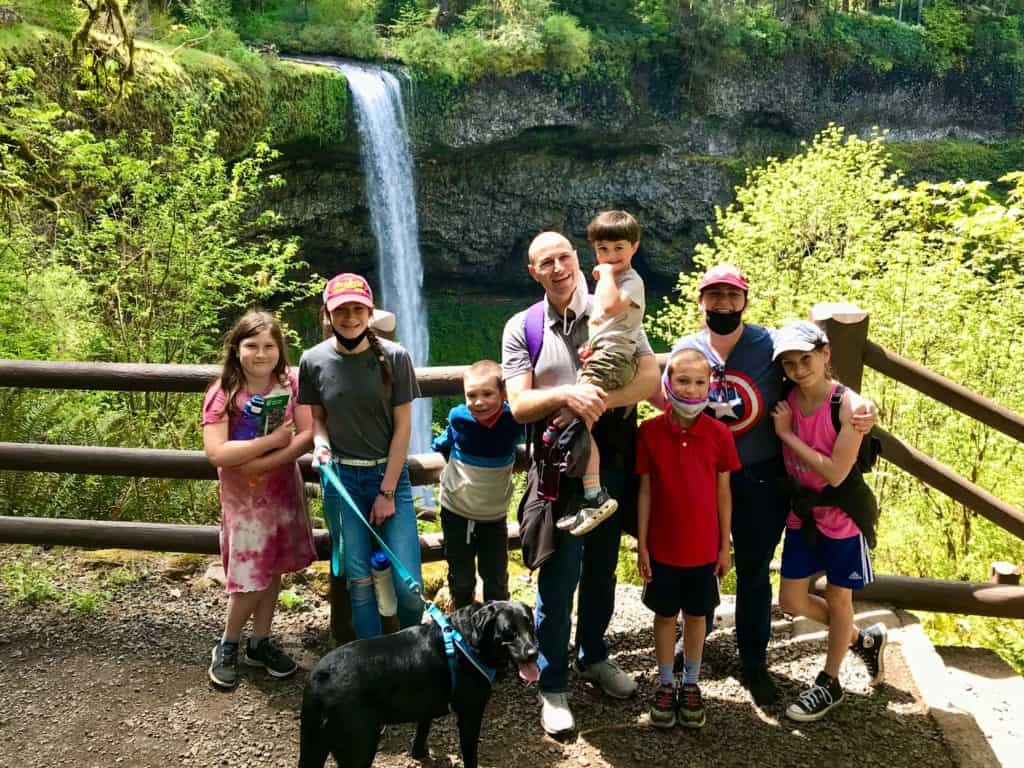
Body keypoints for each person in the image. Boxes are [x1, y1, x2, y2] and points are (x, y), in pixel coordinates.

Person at [668, 264, 876, 706]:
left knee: (755, 570)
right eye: (714, 295)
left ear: (745, 299)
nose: (723, 303)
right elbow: (663, 393)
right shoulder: (686, 349)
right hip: (703, 476)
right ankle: (693, 649)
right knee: (698, 559)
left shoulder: (767, 345)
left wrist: (863, 408)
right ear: (700, 300)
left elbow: (813, 379)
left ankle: (754, 662)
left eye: (731, 295)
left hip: (762, 475)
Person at [501, 231, 659, 736]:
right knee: (558, 575)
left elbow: (651, 378)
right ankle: (552, 684)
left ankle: (593, 654)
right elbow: (519, 404)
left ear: (578, 259)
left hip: (610, 462)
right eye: (545, 262)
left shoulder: (617, 308)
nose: (557, 267)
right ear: (534, 271)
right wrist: (570, 395)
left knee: (601, 571)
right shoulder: (522, 326)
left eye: (563, 257)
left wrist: (600, 402)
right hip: (555, 475)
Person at [770, 320, 887, 722]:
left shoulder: (849, 407)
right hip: (804, 514)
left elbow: (836, 473)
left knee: (840, 599)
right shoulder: (787, 396)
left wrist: (786, 435)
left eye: (806, 359)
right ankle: (859, 640)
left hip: (842, 516)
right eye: (789, 363)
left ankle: (829, 681)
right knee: (791, 600)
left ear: (825, 354)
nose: (799, 370)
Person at [298, 272, 423, 639]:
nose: (349, 318)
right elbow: (318, 419)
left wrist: (386, 492)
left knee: (408, 587)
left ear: (369, 312)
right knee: (360, 582)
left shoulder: (396, 357)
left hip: (389, 477)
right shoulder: (313, 360)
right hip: (341, 480)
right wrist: (320, 443)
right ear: (327, 314)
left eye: (357, 309)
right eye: (341, 311)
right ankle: (371, 664)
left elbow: (403, 429)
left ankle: (413, 656)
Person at [201, 311, 316, 689]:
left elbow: (307, 432)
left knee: (274, 568)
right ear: (236, 349)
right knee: (250, 576)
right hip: (244, 500)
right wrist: (268, 444)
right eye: (252, 345)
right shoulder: (223, 392)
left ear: (280, 350)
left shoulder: (291, 382)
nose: (261, 353)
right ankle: (227, 644)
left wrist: (265, 462)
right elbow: (217, 452)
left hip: (282, 490)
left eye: (269, 346)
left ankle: (260, 641)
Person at [637, 347, 740, 729]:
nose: (693, 389)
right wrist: (643, 544)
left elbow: (723, 493)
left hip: (702, 547)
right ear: (667, 382)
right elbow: (645, 491)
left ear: (710, 386)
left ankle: (691, 683)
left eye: (700, 382)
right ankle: (666, 683)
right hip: (663, 548)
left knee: (697, 617)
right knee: (665, 616)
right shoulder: (649, 433)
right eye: (683, 380)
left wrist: (724, 543)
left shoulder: (718, 434)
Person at [554, 210, 646, 537]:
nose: (610, 257)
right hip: (602, 357)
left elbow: (607, 307)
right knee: (576, 426)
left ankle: (594, 496)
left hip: (613, 361)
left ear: (634, 247)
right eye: (603, 250)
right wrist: (590, 349)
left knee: (575, 425)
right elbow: (607, 324)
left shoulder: (631, 282)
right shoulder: (619, 279)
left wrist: (604, 276)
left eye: (618, 249)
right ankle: (588, 495)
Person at [432, 360, 523, 608]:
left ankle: (498, 628)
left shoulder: (514, 418)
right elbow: (446, 440)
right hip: (456, 511)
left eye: (487, 394)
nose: (479, 402)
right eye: (471, 395)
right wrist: (439, 447)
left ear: (503, 393)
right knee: (460, 577)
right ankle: (463, 623)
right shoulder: (458, 417)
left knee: (496, 578)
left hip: (494, 516)